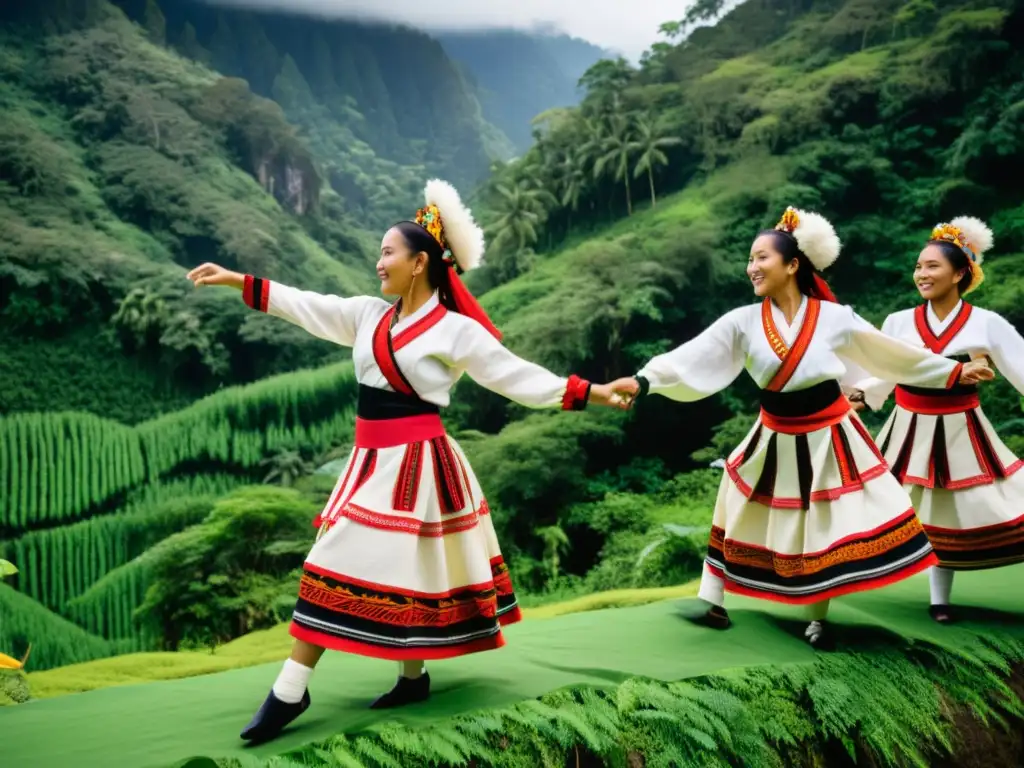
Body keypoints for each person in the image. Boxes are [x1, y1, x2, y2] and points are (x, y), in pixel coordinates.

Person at [187, 179, 627, 743]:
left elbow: (517, 377)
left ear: (419, 263)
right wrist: (237, 281)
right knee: (399, 570)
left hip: (418, 463)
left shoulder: (457, 330)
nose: (379, 262)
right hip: (370, 459)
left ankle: (289, 691)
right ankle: (411, 677)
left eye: (387, 252)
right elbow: (307, 306)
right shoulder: (369, 315)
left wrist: (592, 391)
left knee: (334, 559)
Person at [607, 207, 993, 647]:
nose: (752, 268)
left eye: (761, 258)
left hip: (828, 433)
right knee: (736, 498)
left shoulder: (834, 317)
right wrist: (643, 381)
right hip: (773, 429)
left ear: (792, 265)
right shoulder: (742, 322)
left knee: (822, 521)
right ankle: (712, 600)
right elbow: (691, 357)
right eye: (750, 260)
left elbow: (889, 354)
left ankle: (818, 618)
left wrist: (952, 371)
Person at [847, 217, 1024, 623]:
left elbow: (1021, 369)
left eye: (932, 266)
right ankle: (853, 584)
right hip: (908, 425)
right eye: (918, 267)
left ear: (961, 272)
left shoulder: (987, 323)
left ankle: (939, 601)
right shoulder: (898, 322)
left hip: (962, 425)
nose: (921, 275)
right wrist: (858, 397)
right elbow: (887, 373)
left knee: (961, 508)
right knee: (883, 505)